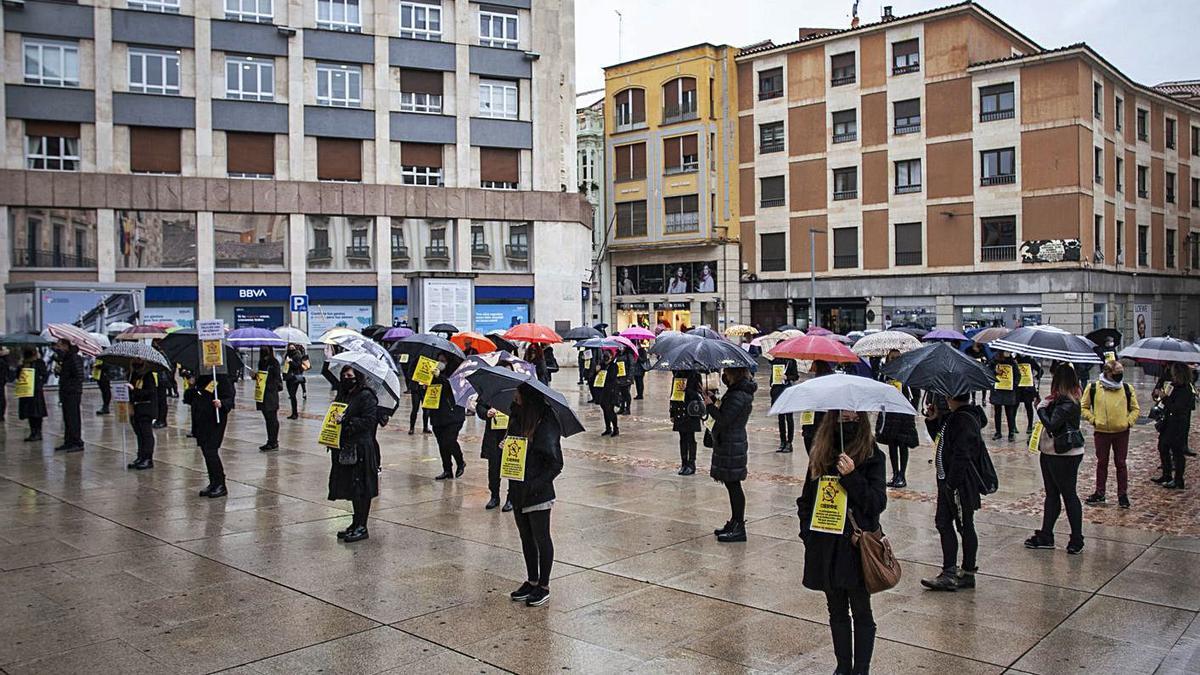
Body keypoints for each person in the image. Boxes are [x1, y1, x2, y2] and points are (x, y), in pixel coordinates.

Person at [796, 411, 886, 675]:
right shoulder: (821, 454)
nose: (846, 415)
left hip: (855, 547)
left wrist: (852, 476)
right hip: (825, 546)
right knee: (836, 611)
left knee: (861, 610)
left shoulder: (872, 454)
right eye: (841, 411)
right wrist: (808, 534)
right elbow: (806, 500)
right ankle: (843, 667)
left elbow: (876, 504)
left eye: (852, 410)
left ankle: (861, 670)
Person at [506, 384, 565, 607]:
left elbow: (555, 463)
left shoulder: (544, 423)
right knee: (525, 537)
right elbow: (515, 449)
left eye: (517, 393)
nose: (514, 396)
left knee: (541, 537)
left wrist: (536, 484)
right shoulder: (517, 417)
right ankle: (531, 580)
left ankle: (544, 585)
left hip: (538, 491)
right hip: (518, 488)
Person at [921, 393, 986, 591]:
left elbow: (961, 455)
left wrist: (951, 484)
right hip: (949, 481)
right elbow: (942, 442)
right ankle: (958, 571)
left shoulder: (963, 419)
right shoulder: (956, 417)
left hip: (958, 484)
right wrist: (932, 422)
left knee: (962, 524)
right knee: (946, 522)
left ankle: (958, 572)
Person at [1025, 364, 1085, 554]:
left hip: (1064, 454)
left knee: (1068, 494)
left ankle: (1077, 538)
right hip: (1050, 452)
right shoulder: (1059, 399)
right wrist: (1043, 403)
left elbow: (1051, 424)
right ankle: (1046, 534)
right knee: (1051, 494)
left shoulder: (1068, 402)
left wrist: (1041, 408)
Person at [328, 365, 382, 542]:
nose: (346, 377)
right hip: (347, 447)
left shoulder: (366, 395)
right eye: (344, 374)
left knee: (361, 488)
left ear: (357, 376)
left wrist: (347, 421)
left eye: (349, 375)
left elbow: (369, 421)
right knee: (352, 487)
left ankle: (362, 526)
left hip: (361, 448)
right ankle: (355, 522)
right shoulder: (344, 394)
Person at [705, 367, 756, 543]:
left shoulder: (737, 394)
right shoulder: (737, 392)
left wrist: (710, 406)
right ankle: (735, 522)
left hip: (732, 442)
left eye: (726, 373)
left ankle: (739, 526)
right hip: (730, 441)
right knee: (731, 484)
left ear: (735, 374)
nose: (724, 376)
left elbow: (724, 419)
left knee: (734, 484)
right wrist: (713, 400)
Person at [1081, 360, 1139, 507]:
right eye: (1116, 374)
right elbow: (1084, 406)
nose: (1119, 376)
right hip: (1102, 432)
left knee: (1121, 464)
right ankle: (1100, 492)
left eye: (1121, 374)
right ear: (1107, 373)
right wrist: (1094, 420)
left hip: (1121, 432)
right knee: (1102, 463)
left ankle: (1123, 495)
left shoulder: (1126, 388)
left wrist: (1128, 422)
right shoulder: (1094, 387)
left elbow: (1135, 409)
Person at [187, 371, 235, 497]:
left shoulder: (221, 377)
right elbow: (189, 399)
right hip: (201, 420)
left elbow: (229, 399)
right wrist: (191, 386)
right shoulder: (201, 378)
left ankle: (220, 483)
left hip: (215, 421)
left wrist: (222, 403)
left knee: (211, 451)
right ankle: (213, 482)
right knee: (205, 451)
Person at [877, 351, 918, 487]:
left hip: (903, 412)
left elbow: (914, 392)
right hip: (889, 412)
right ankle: (895, 473)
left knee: (903, 443)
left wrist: (912, 408)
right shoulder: (885, 372)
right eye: (892, 357)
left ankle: (902, 475)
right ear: (888, 358)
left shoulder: (907, 372)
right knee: (892, 444)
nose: (895, 360)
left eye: (897, 357)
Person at [1153, 362, 1196, 489]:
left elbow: (1177, 408)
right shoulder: (1174, 386)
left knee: (1177, 452)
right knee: (1163, 447)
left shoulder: (1186, 389)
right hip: (1168, 422)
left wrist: (1165, 398)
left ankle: (1178, 479)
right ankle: (1166, 475)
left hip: (1178, 424)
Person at [427, 354, 466, 480]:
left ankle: (460, 462)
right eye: (438, 360)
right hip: (437, 414)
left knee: (449, 440)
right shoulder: (432, 374)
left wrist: (440, 377)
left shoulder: (457, 374)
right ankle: (447, 469)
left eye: (443, 361)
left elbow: (453, 387)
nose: (440, 363)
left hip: (453, 414)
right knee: (441, 444)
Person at [478, 387, 514, 512]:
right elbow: (480, 407)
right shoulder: (489, 391)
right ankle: (494, 496)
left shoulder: (517, 391)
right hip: (493, 435)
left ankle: (511, 497)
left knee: (512, 467)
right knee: (493, 467)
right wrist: (486, 412)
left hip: (511, 434)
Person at [52, 339, 85, 452]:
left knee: (73, 417)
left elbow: (79, 376)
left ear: (66, 346)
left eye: (59, 345)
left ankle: (77, 441)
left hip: (73, 392)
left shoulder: (74, 357)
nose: (57, 348)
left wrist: (70, 383)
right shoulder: (64, 358)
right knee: (67, 418)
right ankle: (69, 441)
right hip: (65, 391)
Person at [668, 371, 703, 475]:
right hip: (679, 410)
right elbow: (673, 394)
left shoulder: (695, 375)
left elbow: (699, 394)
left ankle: (691, 464)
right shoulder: (677, 375)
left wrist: (687, 390)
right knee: (682, 438)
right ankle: (684, 463)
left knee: (690, 437)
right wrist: (672, 412)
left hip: (691, 410)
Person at [127, 359, 157, 470]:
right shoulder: (132, 374)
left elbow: (150, 392)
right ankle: (140, 456)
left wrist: (134, 390)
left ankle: (148, 458)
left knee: (146, 434)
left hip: (146, 408)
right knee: (139, 433)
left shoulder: (148, 375)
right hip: (136, 408)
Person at [800, 361, 833, 454]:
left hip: (819, 421)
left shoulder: (825, 383)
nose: (811, 366)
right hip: (811, 421)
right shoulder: (813, 380)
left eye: (813, 363)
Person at [769, 356, 800, 453]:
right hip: (777, 390)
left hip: (787, 390)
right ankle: (782, 441)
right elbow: (773, 375)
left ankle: (789, 442)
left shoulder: (791, 361)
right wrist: (772, 382)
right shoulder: (775, 361)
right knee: (780, 418)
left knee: (789, 417)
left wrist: (787, 377)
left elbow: (796, 376)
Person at [255, 346, 283, 451]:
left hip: (271, 393)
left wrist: (267, 381)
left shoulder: (273, 362)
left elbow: (276, 378)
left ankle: (273, 441)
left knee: (272, 418)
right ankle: (270, 440)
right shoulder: (261, 362)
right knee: (267, 418)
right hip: (262, 393)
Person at [17, 348, 48, 442]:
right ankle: (33, 432)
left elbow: (44, 375)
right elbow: (18, 376)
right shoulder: (23, 364)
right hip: (26, 391)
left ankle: (38, 432)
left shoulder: (38, 363)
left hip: (36, 391)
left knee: (37, 412)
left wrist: (40, 383)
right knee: (29, 412)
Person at [988, 351, 1019, 442]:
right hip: (997, 390)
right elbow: (988, 372)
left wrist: (1013, 385)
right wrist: (995, 372)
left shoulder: (1013, 362)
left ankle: (1011, 433)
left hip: (1009, 391)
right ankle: (998, 432)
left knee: (1010, 413)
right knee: (997, 412)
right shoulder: (994, 361)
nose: (1007, 353)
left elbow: (1018, 375)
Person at [1015, 354, 1043, 435]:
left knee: (1028, 406)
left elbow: (1040, 371)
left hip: (1028, 388)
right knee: (1014, 406)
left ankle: (1030, 425)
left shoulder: (1030, 360)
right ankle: (1013, 426)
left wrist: (1035, 377)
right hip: (1018, 387)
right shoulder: (1015, 360)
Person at [594, 350, 620, 436]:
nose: (605, 358)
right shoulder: (602, 365)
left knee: (610, 410)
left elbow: (612, 377)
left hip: (611, 391)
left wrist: (605, 372)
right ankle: (608, 428)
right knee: (604, 409)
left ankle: (616, 428)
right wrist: (597, 370)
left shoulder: (614, 366)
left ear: (611, 357)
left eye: (607, 356)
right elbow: (596, 377)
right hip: (603, 391)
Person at [283, 343, 310, 420]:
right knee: (291, 396)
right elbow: (285, 365)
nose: (291, 349)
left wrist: (290, 361)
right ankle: (293, 413)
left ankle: (295, 414)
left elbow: (297, 365)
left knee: (293, 395)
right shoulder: (287, 355)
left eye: (292, 347)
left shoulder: (297, 355)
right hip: (288, 377)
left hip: (294, 378)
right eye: (289, 347)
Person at [151, 339, 171, 429]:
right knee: (157, 400)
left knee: (162, 401)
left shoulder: (162, 352)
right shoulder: (151, 352)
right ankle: (158, 418)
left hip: (161, 379)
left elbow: (169, 366)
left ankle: (162, 420)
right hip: (155, 379)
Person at [616, 347, 634, 415]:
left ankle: (628, 408)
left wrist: (629, 377)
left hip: (626, 377)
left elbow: (632, 365)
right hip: (619, 376)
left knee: (626, 393)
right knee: (621, 393)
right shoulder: (617, 354)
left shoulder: (629, 354)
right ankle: (622, 407)